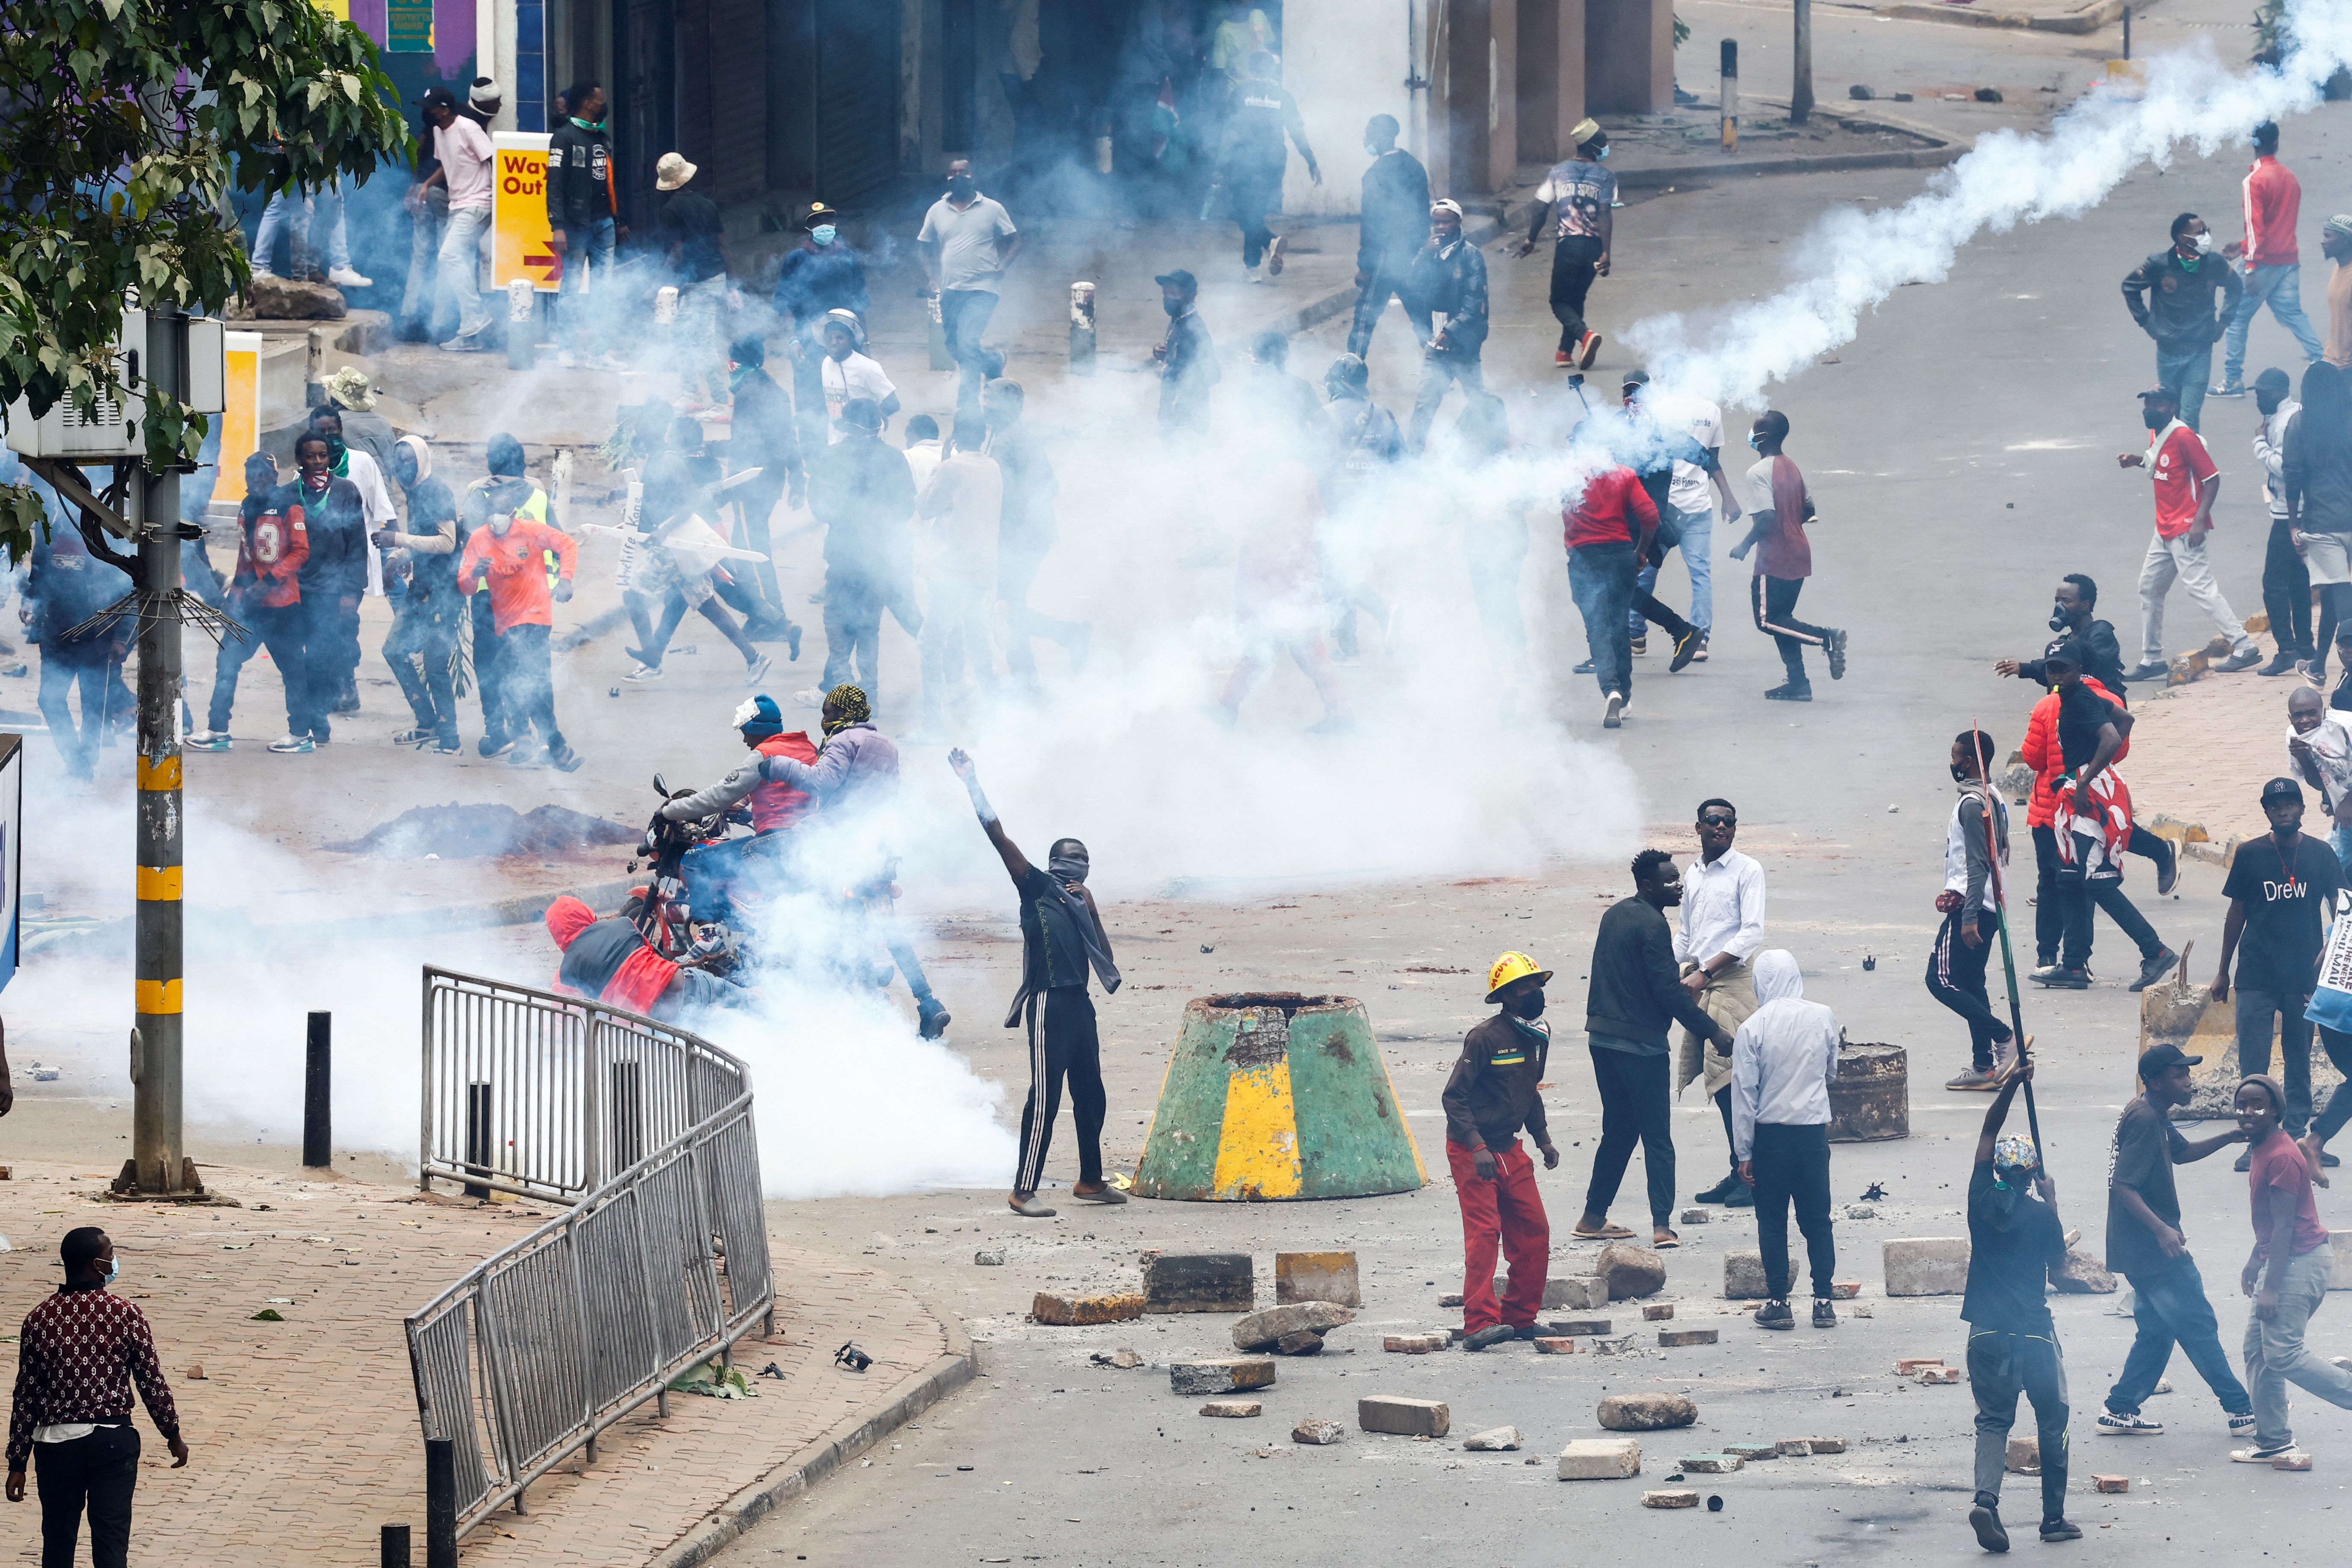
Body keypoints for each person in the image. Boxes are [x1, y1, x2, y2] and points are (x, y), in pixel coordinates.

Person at [948, 747, 1123, 1218]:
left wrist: (1091, 907)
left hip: (1080, 1005)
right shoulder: (1036, 887)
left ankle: (1090, 1180)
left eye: (1083, 861)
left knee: (1091, 1093)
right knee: (1044, 1097)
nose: (1078, 867)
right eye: (1072, 860)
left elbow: (1104, 959)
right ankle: (1022, 1190)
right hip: (1048, 1005)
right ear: (1053, 863)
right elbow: (997, 835)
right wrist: (972, 782)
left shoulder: (1079, 901)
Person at [758, 685, 951, 1037]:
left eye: (828, 712)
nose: (823, 719)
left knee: (834, 924)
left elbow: (822, 781)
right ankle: (928, 1002)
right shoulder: (887, 745)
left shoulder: (844, 741)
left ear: (845, 713)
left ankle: (854, 1007)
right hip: (878, 850)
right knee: (889, 930)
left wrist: (779, 766)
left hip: (843, 850)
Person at [1578, 849, 1737, 1247]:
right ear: (1648, 885)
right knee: (1657, 1137)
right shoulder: (1653, 925)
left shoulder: (1615, 914)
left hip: (1601, 1039)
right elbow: (1668, 994)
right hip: (1641, 1047)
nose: (1678, 886)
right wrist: (1713, 1032)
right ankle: (1662, 1226)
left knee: (1619, 1130)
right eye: (1669, 881)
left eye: (1679, 878)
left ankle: (1592, 1217)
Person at [2097, 1043, 2256, 1441]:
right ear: (2154, 1081)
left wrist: (2231, 1136)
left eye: (2187, 1073)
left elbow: (2181, 1153)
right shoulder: (2146, 1119)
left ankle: (2120, 1409)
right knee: (2197, 1322)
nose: (2188, 1081)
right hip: (2151, 1249)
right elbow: (2124, 1187)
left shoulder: (2151, 1111)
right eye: (2179, 1074)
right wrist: (2161, 1230)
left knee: (2157, 1329)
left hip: (2138, 1246)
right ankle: (2242, 1410)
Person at [4, 1226, 189, 1568]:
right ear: (97, 1265)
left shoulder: (39, 1319)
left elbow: (26, 1396)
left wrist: (18, 1462)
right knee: (111, 1543)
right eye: (111, 1252)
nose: (114, 1259)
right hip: (113, 1442)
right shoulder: (126, 1314)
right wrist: (172, 1434)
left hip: (56, 1447)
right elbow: (151, 1381)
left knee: (58, 1542)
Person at [1960, 1061, 2080, 1551]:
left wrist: (2011, 1083)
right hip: (2033, 1334)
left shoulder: (1979, 1198)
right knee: (2053, 1419)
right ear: (2032, 1174)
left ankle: (1986, 1500)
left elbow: (1989, 1127)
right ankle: (2053, 1519)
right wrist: (2052, 1203)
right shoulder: (2040, 1216)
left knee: (1993, 1420)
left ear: (1997, 1170)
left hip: (1985, 1333)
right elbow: (2061, 1268)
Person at [2034, 642, 2177, 992]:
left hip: (2088, 794)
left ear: (2078, 668)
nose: (2056, 674)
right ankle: (2072, 966)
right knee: (2069, 875)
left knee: (2097, 880)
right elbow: (2125, 718)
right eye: (2052, 668)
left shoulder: (2079, 699)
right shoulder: (2076, 694)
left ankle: (2155, 951)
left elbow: (2112, 735)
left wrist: (2087, 775)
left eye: (2063, 668)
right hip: (2079, 788)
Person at [2214, 777, 2345, 1152]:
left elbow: (2340, 911)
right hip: (2256, 974)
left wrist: (2335, 960)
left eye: (2290, 803)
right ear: (2267, 812)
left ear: (2303, 809)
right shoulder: (2250, 855)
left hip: (2304, 976)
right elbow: (2236, 913)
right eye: (2275, 805)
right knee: (2253, 1064)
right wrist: (2223, 970)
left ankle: (2298, 1138)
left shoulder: (2322, 854)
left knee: (2300, 1059)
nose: (2283, 809)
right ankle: (2257, 1143)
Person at [2232, 1072, 2352, 1465]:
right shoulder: (2264, 1146)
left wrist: (2272, 1288)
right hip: (2282, 1256)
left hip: (2299, 1260)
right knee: (2258, 1350)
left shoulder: (2282, 1155)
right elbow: (2274, 1218)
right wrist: (2255, 1257)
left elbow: (2286, 1225)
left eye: (2257, 1105)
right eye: (2242, 1104)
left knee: (2282, 1352)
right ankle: (2274, 1440)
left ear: (2276, 1111)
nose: (2248, 1112)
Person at [1444, 951, 1561, 1352]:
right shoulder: (1484, 1038)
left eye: (1537, 986)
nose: (1535, 993)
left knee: (1534, 1231)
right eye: (1526, 987)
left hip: (1510, 1147)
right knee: (1484, 1232)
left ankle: (1520, 1318)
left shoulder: (1538, 1034)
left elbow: (1529, 1091)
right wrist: (1476, 1146)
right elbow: (1453, 1096)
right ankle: (1478, 1323)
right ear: (1507, 996)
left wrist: (1543, 1139)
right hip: (1472, 1148)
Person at [2117, 383, 2261, 679]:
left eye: (2156, 404)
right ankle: (2152, 658)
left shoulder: (2184, 437)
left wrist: (2198, 521)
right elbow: (2163, 464)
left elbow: (2212, 479)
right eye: (2147, 403)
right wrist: (2136, 460)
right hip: (2165, 527)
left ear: (2172, 406)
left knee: (2201, 588)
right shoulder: (2157, 434)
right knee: (2150, 587)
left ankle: (2244, 646)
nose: (2149, 409)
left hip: (2185, 527)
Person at [1730, 949, 1840, 1330]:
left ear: (1760, 983)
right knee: (1818, 1220)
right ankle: (1824, 1300)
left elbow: (1744, 1095)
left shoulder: (1752, 1028)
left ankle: (1779, 1301)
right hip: (1812, 1136)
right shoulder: (1823, 1015)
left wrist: (1743, 1152)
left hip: (1770, 1139)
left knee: (1772, 1220)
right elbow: (1831, 1070)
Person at [1217, 439, 1350, 730]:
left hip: (1277, 586)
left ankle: (1225, 710)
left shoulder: (1261, 493)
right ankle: (1341, 715)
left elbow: (1256, 552)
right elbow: (1322, 522)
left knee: (1262, 652)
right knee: (1305, 654)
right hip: (1300, 578)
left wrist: (1247, 604)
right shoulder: (1300, 473)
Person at [187, 453, 315, 754]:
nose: (256, 478)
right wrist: (236, 596)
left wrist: (270, 581)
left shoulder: (289, 505)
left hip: (283, 606)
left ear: (273, 475)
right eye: (250, 473)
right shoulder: (246, 507)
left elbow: (301, 552)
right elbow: (246, 556)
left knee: (293, 669)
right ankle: (218, 729)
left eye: (262, 473)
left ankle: (301, 734)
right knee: (227, 660)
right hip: (251, 607)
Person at [655, 693, 819, 927]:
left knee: (694, 860)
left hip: (772, 844)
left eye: (745, 733)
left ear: (756, 727)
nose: (745, 741)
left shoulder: (763, 754)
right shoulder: (806, 748)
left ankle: (708, 936)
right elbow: (780, 792)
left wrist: (669, 811)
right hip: (806, 839)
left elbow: (719, 796)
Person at [457, 466, 581, 771]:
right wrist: (476, 573)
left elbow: (568, 544)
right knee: (526, 680)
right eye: (493, 504)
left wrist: (565, 579)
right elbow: (465, 585)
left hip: (535, 616)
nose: (499, 511)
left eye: (505, 505)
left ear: (513, 509)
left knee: (518, 675)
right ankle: (552, 745)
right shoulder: (478, 540)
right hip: (505, 623)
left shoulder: (531, 530)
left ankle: (537, 740)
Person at [1678, 797, 1766, 1205]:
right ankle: (1739, 1170)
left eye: (1729, 822)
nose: (1722, 827)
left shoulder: (1747, 870)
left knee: (1736, 1080)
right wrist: (1666, 968)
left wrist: (1706, 972)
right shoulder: (1693, 874)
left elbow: (1751, 933)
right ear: (1698, 827)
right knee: (1717, 1080)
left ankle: (1754, 1176)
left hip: (1729, 981)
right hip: (1699, 980)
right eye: (1713, 821)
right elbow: (1686, 934)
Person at [806, 397, 916, 709]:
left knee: (838, 626)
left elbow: (818, 507)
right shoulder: (895, 458)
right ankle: (871, 697)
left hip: (843, 557)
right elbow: (907, 508)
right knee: (869, 627)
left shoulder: (832, 458)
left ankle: (847, 693)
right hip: (880, 559)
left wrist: (845, 517)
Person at [1729, 411, 1845, 701]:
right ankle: (1799, 684)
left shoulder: (1757, 473)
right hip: (1799, 551)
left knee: (1767, 619)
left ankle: (1826, 638)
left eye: (1754, 431)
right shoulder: (1791, 466)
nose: (1751, 435)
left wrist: (1744, 546)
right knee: (1784, 619)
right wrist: (1791, 526)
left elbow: (1767, 517)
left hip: (1775, 557)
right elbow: (1808, 509)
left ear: (1763, 438)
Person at [1626, 366, 1740, 662]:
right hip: (1698, 506)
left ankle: (1635, 634)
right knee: (1701, 574)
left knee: (1645, 570)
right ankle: (1700, 639)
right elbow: (1710, 459)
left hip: (1663, 513)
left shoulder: (1660, 413)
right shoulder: (1709, 410)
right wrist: (1728, 497)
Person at [985, 380, 1088, 687]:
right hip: (1029, 536)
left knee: (1006, 608)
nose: (984, 407)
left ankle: (1029, 679)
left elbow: (1024, 491)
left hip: (1022, 539)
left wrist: (1011, 528)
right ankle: (1063, 641)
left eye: (990, 401)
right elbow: (1049, 485)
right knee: (1009, 606)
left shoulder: (1009, 440)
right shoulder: (1012, 435)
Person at [1933, 729, 2020, 1090]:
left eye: (1955, 756)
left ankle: (2005, 1038)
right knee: (1971, 982)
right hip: (1989, 905)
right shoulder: (1992, 795)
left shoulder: (1971, 803)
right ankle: (1984, 1064)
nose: (1951, 762)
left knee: (1939, 981)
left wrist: (1967, 917)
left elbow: (1978, 863)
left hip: (1972, 907)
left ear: (1968, 761)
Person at [457, 435, 556, 750]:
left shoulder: (478, 493)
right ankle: (534, 733)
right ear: (523, 463)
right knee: (531, 665)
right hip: (531, 597)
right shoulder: (538, 493)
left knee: (491, 664)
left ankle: (499, 731)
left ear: (489, 462)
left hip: (493, 596)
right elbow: (558, 539)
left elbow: (472, 540)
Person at [2217, 123, 2324, 398]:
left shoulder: (2254, 181)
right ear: (2276, 143)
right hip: (2288, 260)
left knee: (2237, 319)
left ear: (2254, 145)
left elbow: (2257, 228)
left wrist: (2250, 264)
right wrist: (2242, 248)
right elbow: (2277, 225)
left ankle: (2232, 382)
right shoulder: (2289, 177)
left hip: (2263, 263)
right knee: (2293, 314)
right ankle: (2323, 362)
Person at [23, 523, 132, 779]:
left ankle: (86, 764)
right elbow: (39, 572)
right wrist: (30, 601)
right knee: (49, 700)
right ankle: (76, 760)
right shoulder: (50, 521)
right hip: (56, 631)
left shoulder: (109, 529)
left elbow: (129, 589)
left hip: (98, 635)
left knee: (93, 704)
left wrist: (123, 637)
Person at [375, 435, 463, 751]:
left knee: (435, 664)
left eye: (409, 461)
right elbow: (421, 539)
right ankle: (427, 722)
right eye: (398, 462)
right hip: (422, 588)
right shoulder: (414, 493)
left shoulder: (436, 490)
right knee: (394, 651)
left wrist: (397, 541)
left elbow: (446, 543)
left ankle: (450, 737)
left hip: (444, 591)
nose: (402, 468)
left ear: (423, 460)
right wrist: (398, 559)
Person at [916, 414, 1004, 729]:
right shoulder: (993, 467)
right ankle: (998, 710)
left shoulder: (952, 468)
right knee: (977, 637)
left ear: (955, 438)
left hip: (955, 570)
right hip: (982, 569)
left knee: (930, 642)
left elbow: (925, 507)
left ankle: (932, 725)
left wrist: (941, 464)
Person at [544, 895, 756, 1022]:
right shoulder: (622, 924)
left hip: (669, 1021)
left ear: (558, 935)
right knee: (755, 1004)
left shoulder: (567, 972)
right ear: (587, 915)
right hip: (692, 985)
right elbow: (654, 958)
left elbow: (567, 1022)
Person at [917, 160, 1021, 417]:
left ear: (972, 176)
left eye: (962, 172)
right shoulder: (936, 211)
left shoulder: (993, 208)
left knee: (967, 341)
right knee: (954, 346)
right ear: (947, 178)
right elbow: (923, 246)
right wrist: (931, 278)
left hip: (984, 287)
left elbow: (1015, 241)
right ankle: (993, 361)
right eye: (952, 173)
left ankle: (969, 404)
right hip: (951, 289)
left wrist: (1003, 266)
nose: (957, 177)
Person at [2121, 213, 2242, 432]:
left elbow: (2236, 287)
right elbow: (2130, 287)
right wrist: (2147, 323)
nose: (2207, 237)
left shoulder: (2214, 263)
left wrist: (2223, 323)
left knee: (2189, 417)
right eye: (2200, 232)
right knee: (2168, 414)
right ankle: (2169, 463)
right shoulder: (2159, 265)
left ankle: (2190, 464)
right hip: (2168, 353)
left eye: (2207, 231)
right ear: (2182, 238)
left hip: (2200, 351)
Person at [1319, 352, 1400, 666]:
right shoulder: (1384, 414)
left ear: (1338, 382)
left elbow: (1315, 465)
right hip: (1370, 511)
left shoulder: (1324, 417)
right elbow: (1402, 464)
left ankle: (1380, 613)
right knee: (1341, 572)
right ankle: (1348, 647)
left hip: (1335, 510)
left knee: (1335, 574)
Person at [771, 203, 870, 461]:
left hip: (845, 340)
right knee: (809, 400)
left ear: (835, 227)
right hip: (808, 339)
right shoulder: (797, 258)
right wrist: (793, 340)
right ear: (809, 229)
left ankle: (848, 453)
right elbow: (784, 302)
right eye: (818, 223)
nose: (824, 227)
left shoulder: (847, 256)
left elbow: (860, 301)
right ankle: (813, 457)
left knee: (847, 395)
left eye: (828, 222)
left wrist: (864, 340)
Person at [1564, 460, 1655, 729]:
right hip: (1621, 555)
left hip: (1583, 558)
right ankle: (1624, 697)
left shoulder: (1565, 474)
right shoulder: (1623, 474)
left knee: (1597, 628)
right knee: (1620, 625)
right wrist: (1641, 550)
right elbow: (1650, 515)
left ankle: (1610, 689)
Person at [1516, 118, 1613, 371]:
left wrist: (1531, 239)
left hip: (1568, 246)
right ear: (1593, 148)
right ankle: (1564, 352)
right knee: (1576, 297)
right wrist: (1606, 252)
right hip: (1593, 247)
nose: (1606, 148)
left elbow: (1540, 209)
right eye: (1603, 144)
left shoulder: (1558, 172)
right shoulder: (1606, 177)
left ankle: (1585, 336)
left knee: (1559, 301)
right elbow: (1605, 214)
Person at [722, 335, 806, 627]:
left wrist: (729, 485)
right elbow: (786, 438)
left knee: (750, 548)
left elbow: (743, 445)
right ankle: (764, 612)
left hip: (751, 483)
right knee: (750, 542)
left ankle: (772, 617)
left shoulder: (747, 394)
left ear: (736, 362)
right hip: (772, 479)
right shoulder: (775, 390)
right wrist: (797, 477)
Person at [288, 431, 365, 747]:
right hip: (296, 589)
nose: (318, 461)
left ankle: (318, 720)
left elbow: (358, 546)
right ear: (299, 460)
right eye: (311, 456)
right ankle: (301, 722)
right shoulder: (289, 494)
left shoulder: (347, 491)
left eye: (323, 455)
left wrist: (351, 590)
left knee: (322, 658)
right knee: (296, 658)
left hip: (332, 592)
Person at [1215, 51, 1318, 284]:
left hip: (1244, 163)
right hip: (1273, 164)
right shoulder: (1284, 97)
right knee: (1254, 213)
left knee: (1244, 214)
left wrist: (1221, 164)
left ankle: (1270, 244)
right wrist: (1311, 162)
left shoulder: (1240, 94)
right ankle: (1252, 269)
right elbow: (1297, 133)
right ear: (1272, 70)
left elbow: (1231, 133)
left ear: (1251, 69)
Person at [2284, 361, 2352, 682]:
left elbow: (2293, 476)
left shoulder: (2300, 423)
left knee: (2341, 600)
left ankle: (2347, 670)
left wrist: (2293, 524)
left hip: (2322, 524)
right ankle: (2320, 666)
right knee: (2331, 600)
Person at [1404, 200, 1488, 453]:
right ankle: (1411, 458)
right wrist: (1425, 254)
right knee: (1425, 405)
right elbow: (1414, 286)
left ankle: (1493, 446)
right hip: (1436, 344)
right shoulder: (1431, 252)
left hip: (1463, 344)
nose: (1441, 227)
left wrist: (1451, 332)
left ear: (1458, 223)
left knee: (1478, 400)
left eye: (1446, 221)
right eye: (1436, 222)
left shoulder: (1470, 255)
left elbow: (1474, 302)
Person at [548, 82, 623, 357]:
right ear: (587, 104)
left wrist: (618, 220)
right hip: (576, 226)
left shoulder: (602, 138)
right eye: (599, 101)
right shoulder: (563, 137)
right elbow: (554, 186)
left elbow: (611, 183)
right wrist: (557, 226)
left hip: (604, 223)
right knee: (571, 286)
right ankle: (567, 349)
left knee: (605, 288)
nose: (603, 105)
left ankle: (601, 352)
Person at [1349, 114, 1430, 361]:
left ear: (1384, 136)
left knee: (1365, 316)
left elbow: (1371, 224)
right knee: (1421, 313)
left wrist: (1365, 266)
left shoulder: (1376, 173)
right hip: (1410, 255)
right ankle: (1440, 370)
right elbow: (1423, 211)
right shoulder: (1414, 165)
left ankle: (1351, 369)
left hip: (1384, 257)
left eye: (1369, 133)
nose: (1365, 139)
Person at [653, 152, 730, 411]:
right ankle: (692, 393)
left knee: (702, 342)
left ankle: (720, 402)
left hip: (700, 283)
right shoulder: (708, 205)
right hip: (712, 278)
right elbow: (722, 244)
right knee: (682, 336)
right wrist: (732, 281)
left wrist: (657, 286)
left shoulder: (671, 210)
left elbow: (677, 253)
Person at [421, 86, 493, 352]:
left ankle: (477, 316)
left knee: (449, 257)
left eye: (430, 108)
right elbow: (446, 164)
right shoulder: (440, 131)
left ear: (444, 109)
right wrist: (426, 184)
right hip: (458, 205)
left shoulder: (469, 128)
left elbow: (493, 159)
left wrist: (497, 199)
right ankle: (469, 336)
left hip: (478, 204)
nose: (426, 113)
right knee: (457, 261)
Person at [2258, 369, 2318, 671]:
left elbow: (2287, 466)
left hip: (2288, 513)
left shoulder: (2283, 423)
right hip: (2302, 508)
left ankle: (2287, 649)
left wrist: (2260, 446)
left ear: (2279, 390)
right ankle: (2306, 643)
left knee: (2273, 582)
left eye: (2263, 393)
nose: (2258, 398)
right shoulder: (2294, 414)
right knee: (2298, 579)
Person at [1997, 571, 2127, 696]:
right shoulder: (2067, 639)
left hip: (2101, 709)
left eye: (2066, 601)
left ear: (2085, 605)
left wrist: (2027, 669)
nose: (2060, 606)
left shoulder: (2101, 633)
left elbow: (2078, 666)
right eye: (2057, 601)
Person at [2287, 684, 2352, 865]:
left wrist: (2348, 802)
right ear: (2290, 718)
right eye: (2299, 715)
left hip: (2348, 808)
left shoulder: (2344, 726)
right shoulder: (2294, 737)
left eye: (2312, 713)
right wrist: (2304, 758)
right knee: (2332, 864)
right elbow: (2320, 783)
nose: (2305, 720)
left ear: (2323, 713)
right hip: (2346, 815)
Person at [1152, 269, 1219, 436]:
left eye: (1173, 294)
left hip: (1187, 416)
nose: (1168, 298)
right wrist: (1161, 353)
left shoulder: (1194, 329)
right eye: (1165, 293)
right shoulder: (1179, 321)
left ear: (1189, 296)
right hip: (1174, 410)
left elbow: (1213, 373)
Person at [816, 309, 898, 440]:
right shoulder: (826, 364)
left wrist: (868, 420)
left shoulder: (868, 367)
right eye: (829, 338)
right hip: (835, 441)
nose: (833, 342)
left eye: (839, 337)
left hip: (866, 443)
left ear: (852, 339)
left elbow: (893, 403)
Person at [2325, 215, 2352, 370]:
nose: (2323, 242)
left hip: (2348, 367)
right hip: (2333, 360)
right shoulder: (2338, 268)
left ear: (2345, 240)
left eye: (2328, 236)